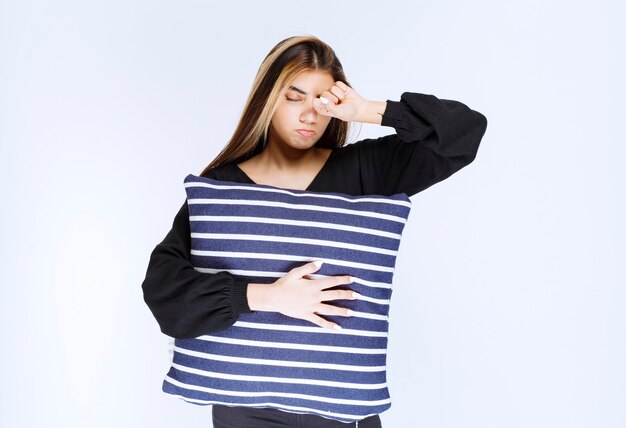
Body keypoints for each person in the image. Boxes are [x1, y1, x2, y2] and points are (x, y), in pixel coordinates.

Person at [141, 34, 487, 428]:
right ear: (267, 98)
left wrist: (369, 110)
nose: (310, 115)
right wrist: (266, 296)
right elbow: (164, 290)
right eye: (295, 97)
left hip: (344, 416)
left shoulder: (368, 169)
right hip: (245, 414)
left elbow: (464, 135)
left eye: (324, 101)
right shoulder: (223, 187)